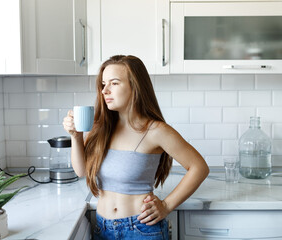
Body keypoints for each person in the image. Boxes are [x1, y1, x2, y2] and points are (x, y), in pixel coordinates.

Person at [63, 55, 209, 239]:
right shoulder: (100, 127)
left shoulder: (156, 130)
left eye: (114, 83)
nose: (105, 90)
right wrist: (76, 137)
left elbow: (199, 167)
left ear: (135, 87)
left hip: (141, 229)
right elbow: (81, 171)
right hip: (103, 228)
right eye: (103, 84)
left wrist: (166, 205)